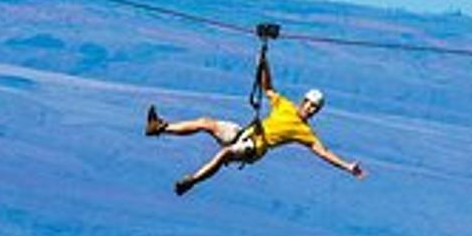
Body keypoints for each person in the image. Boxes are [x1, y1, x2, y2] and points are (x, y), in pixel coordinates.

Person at [145, 47, 366, 195]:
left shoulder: (304, 132)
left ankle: (191, 180)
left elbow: (324, 152)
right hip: (245, 132)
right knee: (206, 122)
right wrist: (263, 61)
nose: (310, 110)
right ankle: (160, 128)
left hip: (255, 147)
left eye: (315, 109)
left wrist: (348, 166)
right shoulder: (285, 105)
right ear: (303, 101)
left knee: (225, 154)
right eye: (309, 104)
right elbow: (267, 87)